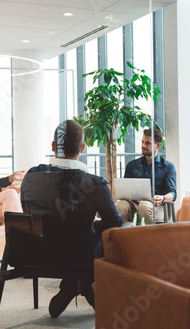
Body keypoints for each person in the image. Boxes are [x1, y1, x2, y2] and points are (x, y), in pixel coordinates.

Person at [20, 119, 122, 318]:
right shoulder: (95, 183)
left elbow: (29, 215)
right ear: (83, 147)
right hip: (81, 257)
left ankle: (73, 284)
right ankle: (79, 284)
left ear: (53, 146)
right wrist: (94, 226)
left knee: (80, 235)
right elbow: (115, 224)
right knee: (107, 234)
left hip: (37, 256)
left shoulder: (31, 176)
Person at [116, 128, 177, 224]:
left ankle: (148, 238)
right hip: (134, 203)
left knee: (143, 206)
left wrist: (163, 198)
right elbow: (125, 190)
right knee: (121, 205)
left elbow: (173, 193)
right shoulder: (132, 165)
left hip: (156, 206)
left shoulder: (168, 167)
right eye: (142, 142)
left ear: (158, 145)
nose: (143, 146)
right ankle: (121, 238)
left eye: (147, 143)